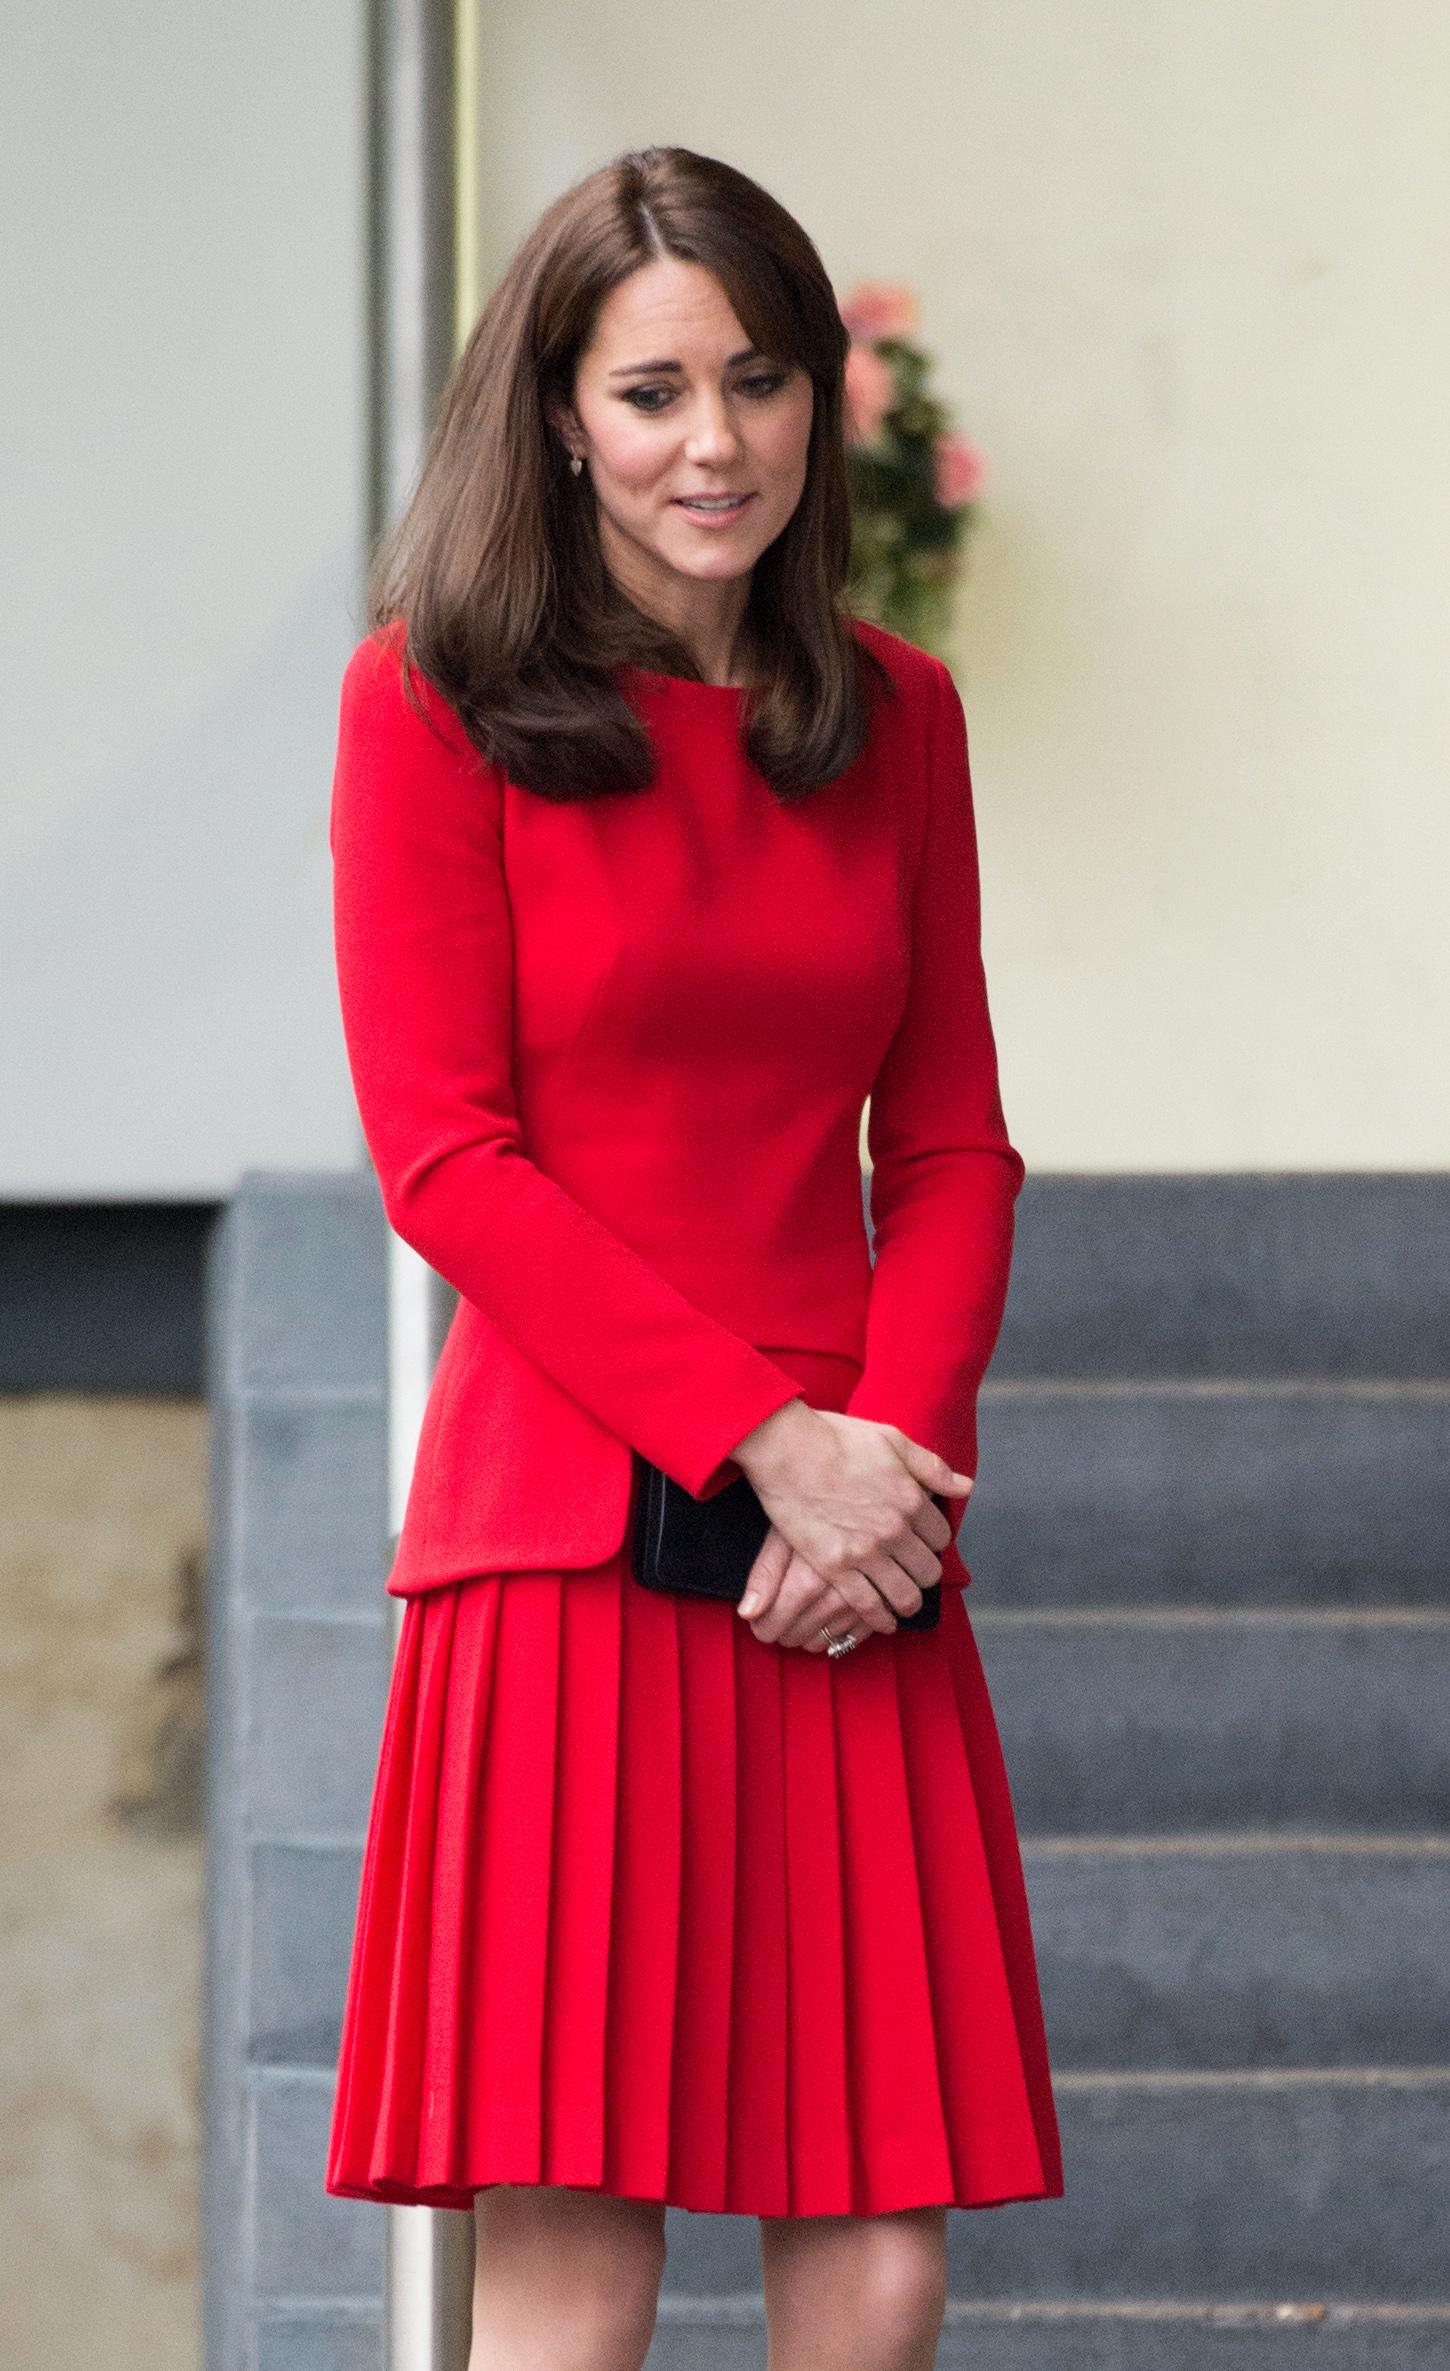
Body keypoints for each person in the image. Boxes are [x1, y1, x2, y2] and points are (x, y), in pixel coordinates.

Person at [323, 142, 1063, 2371]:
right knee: (578, 2255)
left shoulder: (895, 719)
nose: (711, 440)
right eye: (651, 391)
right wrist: (765, 1441)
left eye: (756, 379)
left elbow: (946, 1143)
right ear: (558, 415)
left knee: (881, 2250)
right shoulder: (430, 708)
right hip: (571, 1543)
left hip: (845, 1556)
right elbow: (446, 1161)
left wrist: (886, 1471)